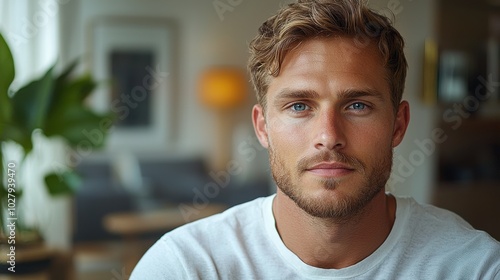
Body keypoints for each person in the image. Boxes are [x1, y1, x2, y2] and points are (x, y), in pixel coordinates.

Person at [131, 0, 500, 279]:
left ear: (399, 124)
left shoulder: (475, 267)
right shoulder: (187, 267)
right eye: (298, 106)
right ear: (262, 128)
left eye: (357, 105)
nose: (328, 137)